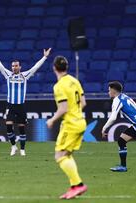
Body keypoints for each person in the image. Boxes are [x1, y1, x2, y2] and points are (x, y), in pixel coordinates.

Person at [0, 43, 51, 156]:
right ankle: (13, 146)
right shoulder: (8, 75)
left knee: (21, 129)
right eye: (13, 66)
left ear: (20, 67)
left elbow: (35, 67)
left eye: (16, 66)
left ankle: (22, 149)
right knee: (9, 126)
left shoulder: (25, 76)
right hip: (10, 105)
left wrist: (44, 57)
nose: (14, 67)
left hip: (21, 106)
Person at [46, 56, 88, 199]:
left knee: (59, 156)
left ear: (54, 68)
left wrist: (52, 120)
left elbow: (63, 108)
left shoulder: (59, 86)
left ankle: (79, 184)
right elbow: (83, 103)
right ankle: (74, 188)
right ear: (67, 67)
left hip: (70, 124)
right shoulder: (75, 81)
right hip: (81, 121)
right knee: (67, 156)